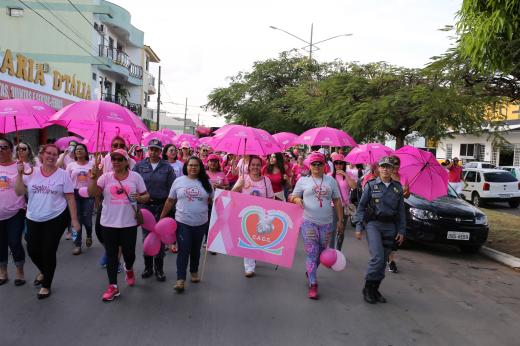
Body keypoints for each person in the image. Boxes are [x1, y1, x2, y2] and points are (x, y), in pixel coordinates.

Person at [15, 144, 80, 299]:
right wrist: (18, 174)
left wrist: (74, 220)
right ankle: (44, 271)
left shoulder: (63, 175)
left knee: (48, 251)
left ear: (57, 157)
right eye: (48, 153)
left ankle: (46, 285)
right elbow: (19, 192)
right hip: (33, 217)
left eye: (54, 154)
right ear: (41, 155)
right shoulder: (31, 172)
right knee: (32, 250)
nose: (51, 156)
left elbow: (70, 197)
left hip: (56, 217)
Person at [88, 149, 149, 302]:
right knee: (112, 255)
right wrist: (93, 179)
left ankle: (129, 268)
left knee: (129, 254)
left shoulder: (136, 177)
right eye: (113, 159)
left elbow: (147, 196)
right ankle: (113, 286)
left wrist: (140, 198)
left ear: (126, 162)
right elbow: (92, 192)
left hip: (129, 223)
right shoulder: (105, 177)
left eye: (119, 159)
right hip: (108, 223)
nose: (115, 162)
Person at [289, 152, 343, 300]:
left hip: (326, 223)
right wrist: (296, 200)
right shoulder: (303, 180)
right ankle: (313, 282)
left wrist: (340, 220)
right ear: (309, 165)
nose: (317, 167)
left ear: (324, 165)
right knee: (312, 253)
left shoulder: (331, 181)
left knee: (321, 253)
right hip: (308, 222)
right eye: (314, 164)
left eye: (320, 164)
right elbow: (292, 195)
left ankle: (310, 270)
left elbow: (337, 201)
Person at [354, 156, 406, 304]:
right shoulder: (370, 186)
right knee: (377, 258)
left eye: (388, 167)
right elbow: (361, 207)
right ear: (378, 168)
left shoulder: (398, 188)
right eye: (382, 166)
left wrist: (401, 231)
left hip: (390, 227)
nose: (385, 169)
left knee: (383, 261)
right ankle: (367, 288)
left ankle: (375, 289)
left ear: (392, 169)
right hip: (374, 225)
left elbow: (401, 212)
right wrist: (359, 226)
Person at [160, 156, 213, 293]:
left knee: (196, 250)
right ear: (186, 167)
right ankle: (180, 279)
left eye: (196, 165)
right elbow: (170, 201)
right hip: (182, 222)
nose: (193, 168)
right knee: (184, 249)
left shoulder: (206, 182)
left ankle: (194, 271)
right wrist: (162, 217)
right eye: (190, 165)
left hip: (201, 223)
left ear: (200, 167)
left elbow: (214, 200)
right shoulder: (178, 181)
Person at [133, 139, 175, 282]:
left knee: (161, 238)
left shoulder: (167, 168)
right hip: (145, 207)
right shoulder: (139, 166)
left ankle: (159, 269)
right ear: (147, 150)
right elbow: (132, 184)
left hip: (161, 206)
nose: (153, 152)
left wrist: (170, 208)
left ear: (161, 151)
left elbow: (172, 189)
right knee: (146, 237)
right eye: (151, 149)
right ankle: (148, 267)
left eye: (156, 149)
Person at [232, 155, 274, 277]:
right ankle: (249, 267)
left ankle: (254, 256)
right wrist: (237, 187)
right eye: (253, 165)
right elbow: (232, 194)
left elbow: (271, 198)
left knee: (257, 240)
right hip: (246, 215)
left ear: (261, 166)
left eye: (258, 165)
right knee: (248, 239)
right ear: (248, 166)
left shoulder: (266, 181)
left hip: (261, 215)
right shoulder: (243, 178)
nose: (255, 167)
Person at [0, 139, 27, 286]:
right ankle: (3, 271)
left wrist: (22, 172)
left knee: (14, 241)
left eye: (4, 147)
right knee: (0, 244)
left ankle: (19, 271)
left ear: (11, 150)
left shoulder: (20, 165)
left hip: (15, 211)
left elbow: (30, 185)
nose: (1, 150)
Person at [65, 143, 94, 255]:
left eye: (81, 149)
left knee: (87, 220)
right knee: (76, 219)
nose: (78, 151)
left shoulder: (92, 165)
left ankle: (89, 234)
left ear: (86, 152)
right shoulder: (70, 166)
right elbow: (67, 181)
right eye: (77, 149)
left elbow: (96, 180)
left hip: (88, 193)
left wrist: (95, 174)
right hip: (74, 193)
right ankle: (77, 244)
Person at [328, 153, 356, 249]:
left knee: (341, 230)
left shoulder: (349, 174)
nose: (338, 165)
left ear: (344, 164)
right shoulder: (329, 176)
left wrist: (345, 174)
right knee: (332, 230)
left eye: (341, 163)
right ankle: (331, 251)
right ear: (334, 164)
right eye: (336, 163)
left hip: (344, 206)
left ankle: (338, 251)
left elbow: (354, 186)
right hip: (332, 206)